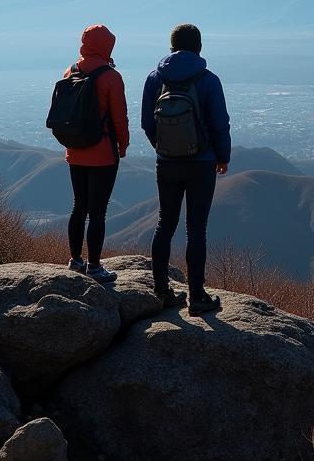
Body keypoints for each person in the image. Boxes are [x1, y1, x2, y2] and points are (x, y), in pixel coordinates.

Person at [141, 23, 231, 315]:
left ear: (171, 47)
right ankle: (197, 297)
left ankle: (161, 291)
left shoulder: (155, 78)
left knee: (164, 224)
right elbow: (219, 123)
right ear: (199, 47)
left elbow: (146, 122)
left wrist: (162, 146)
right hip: (202, 163)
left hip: (166, 163)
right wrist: (222, 156)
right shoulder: (208, 80)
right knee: (196, 230)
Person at [63, 24, 129, 282]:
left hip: (75, 150)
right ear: (106, 46)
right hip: (102, 153)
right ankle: (95, 266)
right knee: (98, 212)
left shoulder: (71, 71)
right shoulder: (111, 77)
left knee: (78, 207)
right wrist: (122, 145)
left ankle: (75, 260)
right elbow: (119, 118)